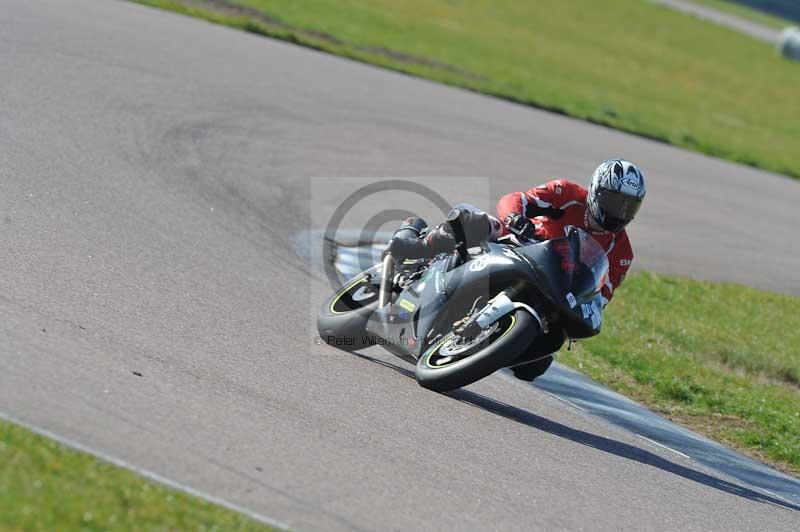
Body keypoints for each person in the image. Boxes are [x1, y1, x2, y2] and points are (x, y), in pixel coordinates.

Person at [387, 159, 646, 381]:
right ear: (596, 191)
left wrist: (583, 312)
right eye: (614, 202)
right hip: (521, 245)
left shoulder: (623, 253)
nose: (620, 212)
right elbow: (518, 199)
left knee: (535, 366)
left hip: (554, 286)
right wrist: (515, 218)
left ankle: (484, 345)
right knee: (477, 222)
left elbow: (601, 296)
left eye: (629, 206)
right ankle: (419, 245)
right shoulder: (567, 194)